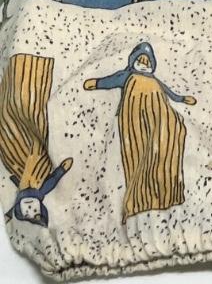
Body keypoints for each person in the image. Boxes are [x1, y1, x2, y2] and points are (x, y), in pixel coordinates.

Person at [84, 42, 195, 221]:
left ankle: (162, 193)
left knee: (162, 147)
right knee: (137, 154)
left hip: (157, 122)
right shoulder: (127, 76)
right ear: (133, 61)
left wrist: (181, 99)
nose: (144, 64)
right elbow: (111, 80)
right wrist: (96, 83)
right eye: (141, 60)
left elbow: (169, 93)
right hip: (133, 123)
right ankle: (139, 196)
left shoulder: (154, 81)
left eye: (147, 62)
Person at [0, 54, 72, 227]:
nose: (30, 208)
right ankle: (30, 71)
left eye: (27, 212)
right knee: (28, 109)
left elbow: (14, 178)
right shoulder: (41, 189)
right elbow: (52, 180)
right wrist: (62, 169)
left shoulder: (21, 188)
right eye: (35, 211)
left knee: (11, 126)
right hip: (37, 155)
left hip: (17, 156)